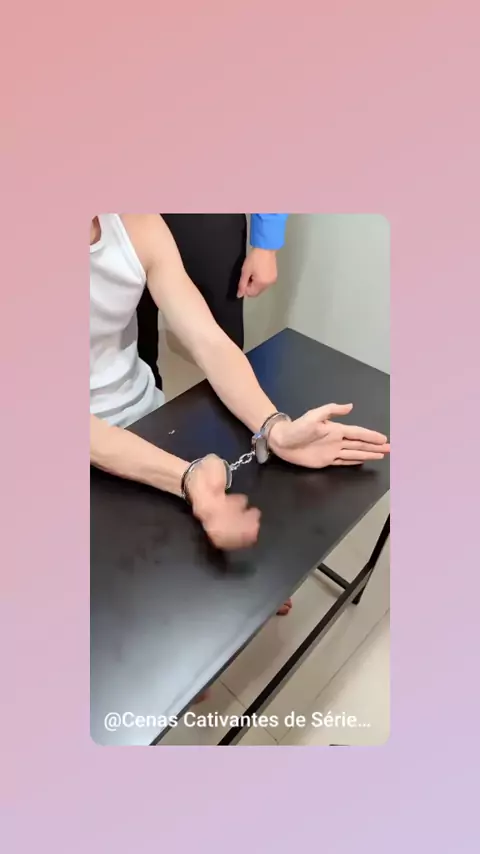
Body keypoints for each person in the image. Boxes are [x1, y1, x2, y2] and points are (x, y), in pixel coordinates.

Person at [90, 214, 390, 614]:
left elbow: (208, 341)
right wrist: (187, 478)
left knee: (225, 579)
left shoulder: (138, 224)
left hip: (145, 415)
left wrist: (275, 428)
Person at [136, 213, 288, 387]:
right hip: (127, 217)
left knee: (226, 356)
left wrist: (266, 245)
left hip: (209, 214)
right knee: (135, 354)